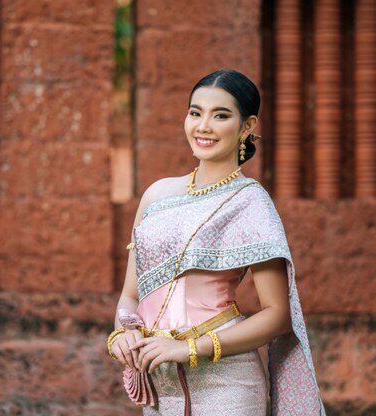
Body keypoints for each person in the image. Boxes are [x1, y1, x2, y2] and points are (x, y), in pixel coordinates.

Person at [107, 69, 325, 415]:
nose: (203, 126)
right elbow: (131, 295)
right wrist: (122, 335)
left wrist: (190, 348)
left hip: (227, 382)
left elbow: (277, 316)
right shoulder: (157, 195)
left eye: (220, 115)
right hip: (160, 381)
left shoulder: (250, 202)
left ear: (247, 126)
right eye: (196, 112)